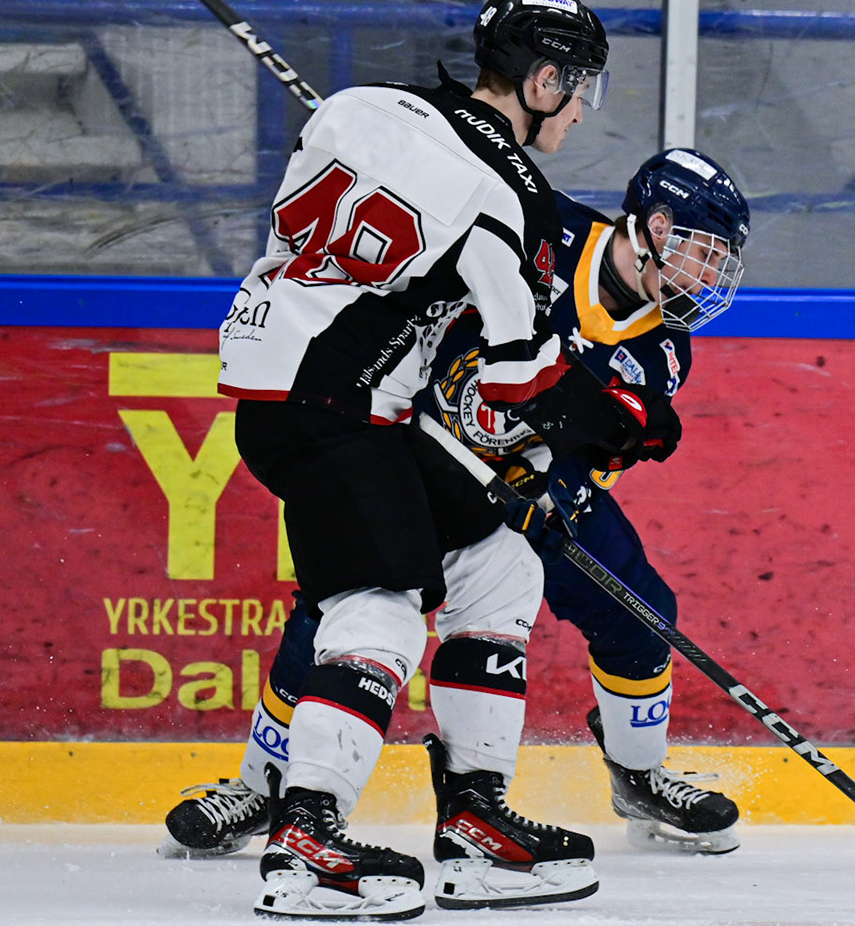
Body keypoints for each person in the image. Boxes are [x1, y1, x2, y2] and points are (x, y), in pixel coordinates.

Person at [214, 0, 681, 919]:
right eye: (580, 87)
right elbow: (517, 377)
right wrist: (615, 418)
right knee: (380, 606)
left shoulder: (368, 108)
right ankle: (304, 842)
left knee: (500, 562)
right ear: (542, 81)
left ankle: (475, 821)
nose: (582, 109)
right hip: (333, 408)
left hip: (313, 390)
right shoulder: (510, 195)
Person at [168, 149, 753, 871]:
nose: (710, 276)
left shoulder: (664, 353)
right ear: (658, 227)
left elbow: (595, 450)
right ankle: (263, 786)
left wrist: (553, 489)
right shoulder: (544, 228)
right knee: (341, 603)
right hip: (420, 449)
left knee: (640, 612)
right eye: (705, 253)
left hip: (527, 489)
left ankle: (637, 776)